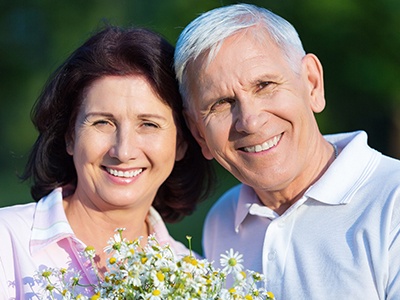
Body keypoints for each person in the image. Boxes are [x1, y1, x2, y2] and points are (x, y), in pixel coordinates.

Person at [174, 3, 400, 299]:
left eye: (265, 85)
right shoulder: (222, 221)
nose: (250, 121)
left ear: (312, 83)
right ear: (198, 133)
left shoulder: (393, 202)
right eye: (220, 103)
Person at [0, 25, 214, 298]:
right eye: (102, 122)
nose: (123, 151)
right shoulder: (5, 242)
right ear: (69, 136)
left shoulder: (195, 277)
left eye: (148, 124)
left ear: (182, 143)